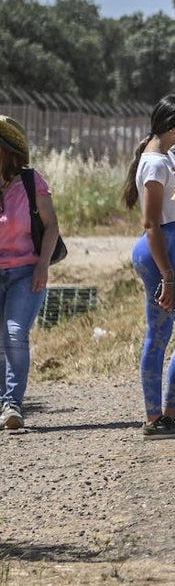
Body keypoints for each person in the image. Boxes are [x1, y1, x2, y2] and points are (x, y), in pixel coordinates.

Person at [120, 94, 175, 437]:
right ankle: (159, 415)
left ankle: (164, 414)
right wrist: (167, 275)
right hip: (160, 250)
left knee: (166, 334)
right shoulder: (156, 164)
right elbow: (151, 223)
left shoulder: (163, 158)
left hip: (164, 248)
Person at [0, 115, 60, 429]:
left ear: (6, 149)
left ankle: (12, 404)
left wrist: (42, 266)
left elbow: (51, 226)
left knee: (13, 334)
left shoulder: (30, 181)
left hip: (25, 271)